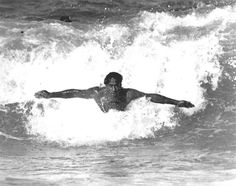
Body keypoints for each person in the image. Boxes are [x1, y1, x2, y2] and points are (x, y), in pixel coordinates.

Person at [35, 72, 194, 113]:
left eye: (117, 85)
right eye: (111, 86)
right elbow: (73, 93)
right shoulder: (97, 92)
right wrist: (50, 94)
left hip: (122, 119)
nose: (115, 89)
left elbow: (152, 96)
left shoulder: (128, 94)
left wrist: (176, 102)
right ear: (105, 85)